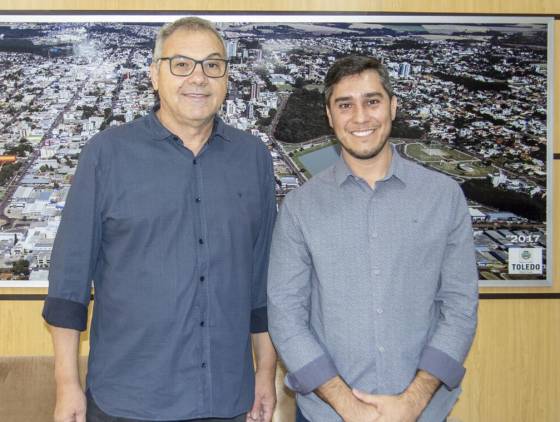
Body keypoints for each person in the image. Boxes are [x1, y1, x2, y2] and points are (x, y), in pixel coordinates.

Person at [42, 17, 277, 422]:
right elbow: (69, 284)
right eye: (181, 64)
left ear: (226, 77)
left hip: (226, 398)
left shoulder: (253, 158)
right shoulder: (106, 154)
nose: (198, 78)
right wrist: (67, 386)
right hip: (127, 400)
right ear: (155, 75)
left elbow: (263, 284)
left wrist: (266, 374)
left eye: (212, 65)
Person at [267, 55, 478, 422]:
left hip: (423, 413)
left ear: (393, 107)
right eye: (345, 105)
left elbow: (459, 308)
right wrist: (349, 408)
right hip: (327, 415)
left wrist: (411, 403)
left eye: (372, 101)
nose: (360, 117)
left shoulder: (443, 197)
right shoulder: (300, 207)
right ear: (330, 117)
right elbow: (286, 317)